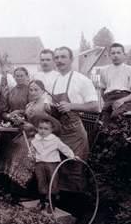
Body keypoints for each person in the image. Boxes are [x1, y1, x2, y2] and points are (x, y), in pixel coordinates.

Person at [51, 46, 99, 193]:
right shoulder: (55, 80)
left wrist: (71, 106)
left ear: (71, 59)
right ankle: (63, 211)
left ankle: (78, 213)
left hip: (75, 133)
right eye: (57, 57)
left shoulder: (81, 80)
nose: (59, 60)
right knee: (61, 170)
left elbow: (95, 106)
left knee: (75, 171)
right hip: (59, 132)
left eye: (63, 57)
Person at [31, 116, 74, 212]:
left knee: (53, 183)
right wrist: (31, 154)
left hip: (52, 164)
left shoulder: (55, 140)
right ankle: (42, 202)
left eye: (46, 129)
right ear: (37, 129)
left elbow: (64, 148)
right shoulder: (36, 139)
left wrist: (71, 155)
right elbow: (33, 150)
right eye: (40, 128)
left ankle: (52, 203)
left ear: (51, 130)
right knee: (41, 182)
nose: (42, 131)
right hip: (39, 163)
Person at [100, 43, 131, 123]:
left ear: (124, 54)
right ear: (109, 55)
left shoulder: (129, 70)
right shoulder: (104, 70)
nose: (115, 55)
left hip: (125, 99)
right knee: (101, 124)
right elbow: (102, 89)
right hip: (109, 99)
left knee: (116, 117)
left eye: (118, 52)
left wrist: (122, 100)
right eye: (113, 53)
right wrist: (107, 102)